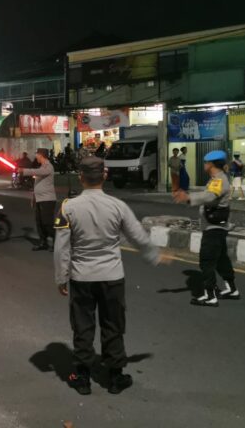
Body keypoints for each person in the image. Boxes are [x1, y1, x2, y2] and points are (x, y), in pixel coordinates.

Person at [54, 156, 170, 396]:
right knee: (113, 325)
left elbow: (61, 248)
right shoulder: (117, 206)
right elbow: (138, 236)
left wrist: (61, 278)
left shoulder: (69, 207)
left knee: (83, 327)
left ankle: (82, 378)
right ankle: (115, 377)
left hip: (81, 277)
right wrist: (155, 256)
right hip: (112, 277)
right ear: (104, 176)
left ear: (81, 177)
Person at [173, 150, 239, 306]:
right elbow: (207, 193)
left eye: (205, 163)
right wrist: (189, 195)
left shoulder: (219, 180)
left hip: (213, 228)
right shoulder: (217, 179)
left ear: (210, 164)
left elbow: (209, 196)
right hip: (217, 227)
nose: (204, 165)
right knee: (221, 260)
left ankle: (210, 296)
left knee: (207, 261)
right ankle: (232, 289)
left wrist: (188, 197)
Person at [18, 148, 56, 251]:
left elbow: (38, 172)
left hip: (47, 200)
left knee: (47, 222)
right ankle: (43, 242)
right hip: (40, 199)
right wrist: (34, 198)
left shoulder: (48, 166)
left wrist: (24, 170)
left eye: (37, 155)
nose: (36, 157)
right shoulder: (42, 166)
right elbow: (37, 184)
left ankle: (57, 243)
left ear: (41, 155)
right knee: (39, 222)